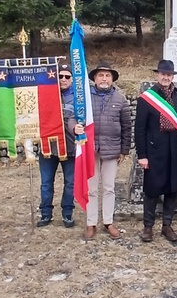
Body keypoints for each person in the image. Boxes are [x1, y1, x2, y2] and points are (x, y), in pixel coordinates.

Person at [76, 61, 131, 240]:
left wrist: (124, 150)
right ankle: (91, 223)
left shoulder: (120, 99)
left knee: (109, 187)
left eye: (108, 75)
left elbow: (126, 126)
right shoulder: (84, 98)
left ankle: (108, 222)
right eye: (101, 75)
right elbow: (75, 117)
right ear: (94, 78)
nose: (104, 79)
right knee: (91, 188)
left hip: (112, 148)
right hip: (90, 149)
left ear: (112, 79)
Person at [135, 59, 177, 243]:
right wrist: (142, 155)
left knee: (172, 188)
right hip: (154, 150)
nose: (166, 77)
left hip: (175, 149)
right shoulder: (146, 98)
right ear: (157, 75)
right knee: (152, 189)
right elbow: (139, 129)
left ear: (173, 77)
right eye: (163, 74)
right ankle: (148, 226)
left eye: (169, 74)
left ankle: (167, 225)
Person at [36, 64, 77, 228]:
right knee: (46, 183)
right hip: (49, 148)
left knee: (70, 183)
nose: (63, 79)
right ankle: (46, 213)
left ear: (72, 79)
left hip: (70, 147)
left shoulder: (78, 98)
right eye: (60, 76)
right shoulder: (46, 94)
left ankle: (67, 213)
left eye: (67, 76)